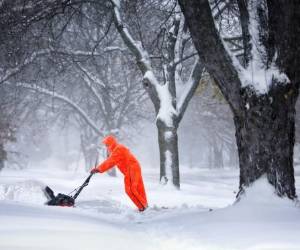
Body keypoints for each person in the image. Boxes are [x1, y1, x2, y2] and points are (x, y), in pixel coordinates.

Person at [91, 135, 148, 212]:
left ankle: (143, 207)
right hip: (134, 168)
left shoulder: (118, 149)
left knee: (130, 190)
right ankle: (144, 205)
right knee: (138, 189)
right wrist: (99, 168)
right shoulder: (117, 150)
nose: (106, 147)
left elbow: (110, 162)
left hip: (132, 169)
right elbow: (111, 160)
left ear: (110, 144)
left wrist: (98, 169)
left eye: (107, 145)